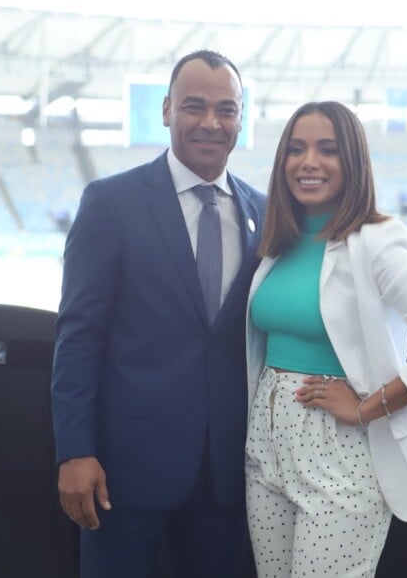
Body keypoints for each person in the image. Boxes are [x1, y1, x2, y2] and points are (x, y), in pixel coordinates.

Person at [51, 49, 266, 578]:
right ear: (167, 110)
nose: (211, 123)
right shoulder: (110, 202)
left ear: (241, 119)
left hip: (226, 478)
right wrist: (74, 451)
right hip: (122, 473)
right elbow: (78, 337)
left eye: (227, 110)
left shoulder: (264, 211)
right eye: (195, 106)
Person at [244, 101, 407, 577]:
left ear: (352, 161)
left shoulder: (377, 240)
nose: (308, 162)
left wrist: (367, 407)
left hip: (341, 453)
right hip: (265, 449)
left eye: (327, 150)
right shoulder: (277, 240)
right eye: (296, 149)